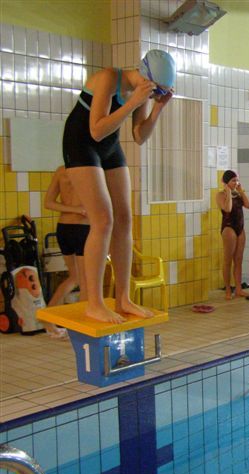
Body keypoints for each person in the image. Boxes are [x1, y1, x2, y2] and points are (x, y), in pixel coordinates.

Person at [62, 49, 175, 323]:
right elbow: (96, 130)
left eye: (161, 92)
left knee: (124, 219)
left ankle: (124, 298)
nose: (157, 95)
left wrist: (157, 108)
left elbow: (139, 136)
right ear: (146, 77)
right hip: (81, 144)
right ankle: (94, 302)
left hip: (109, 146)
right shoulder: (108, 78)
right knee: (103, 220)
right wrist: (134, 102)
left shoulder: (142, 93)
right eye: (158, 90)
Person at [42, 166, 89, 338]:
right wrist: (79, 210)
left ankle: (47, 317)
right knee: (86, 283)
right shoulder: (92, 169)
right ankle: (82, 329)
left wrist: (73, 209)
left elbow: (48, 202)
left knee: (75, 277)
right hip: (84, 228)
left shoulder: (61, 171)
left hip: (64, 229)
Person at [216, 170, 249, 300]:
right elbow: (228, 209)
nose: (236, 183)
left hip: (240, 228)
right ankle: (227, 289)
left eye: (237, 180)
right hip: (228, 228)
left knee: (238, 260)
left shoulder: (238, 193)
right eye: (233, 180)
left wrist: (241, 191)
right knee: (228, 260)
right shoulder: (220, 195)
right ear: (226, 182)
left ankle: (238, 289)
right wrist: (228, 192)